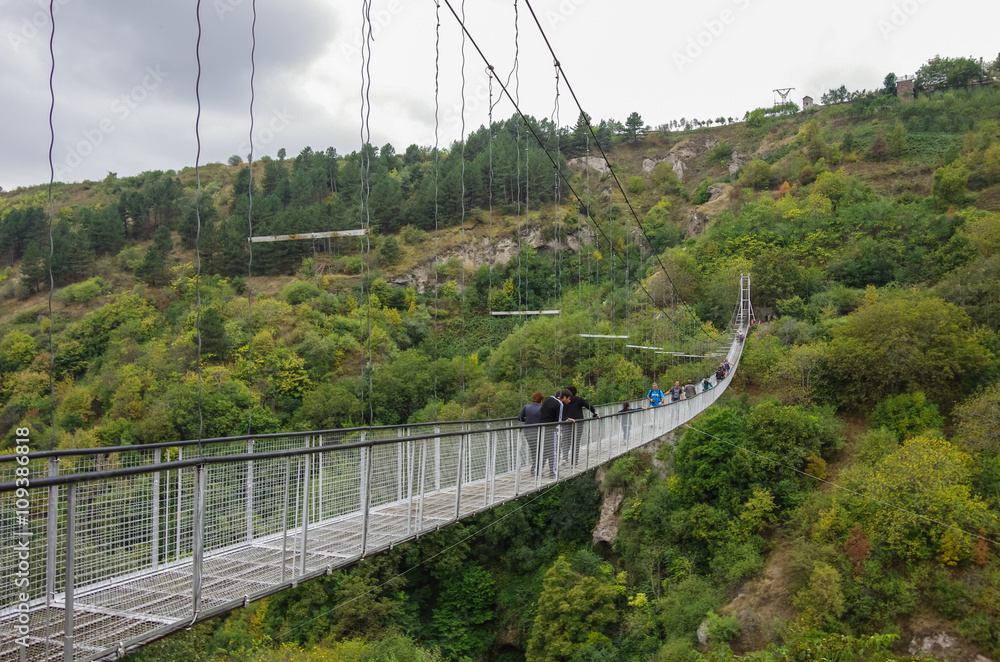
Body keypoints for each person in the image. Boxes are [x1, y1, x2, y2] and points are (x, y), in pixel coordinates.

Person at [539, 389, 574, 478]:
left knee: (543, 451)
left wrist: (566, 418)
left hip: (541, 429)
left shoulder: (548, 399)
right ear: (564, 397)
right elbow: (559, 420)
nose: (569, 401)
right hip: (551, 430)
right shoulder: (560, 404)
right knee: (554, 452)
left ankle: (537, 471)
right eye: (569, 399)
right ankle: (553, 473)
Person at [562, 385, 600, 467]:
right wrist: (594, 412)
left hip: (566, 422)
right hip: (578, 423)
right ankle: (574, 462)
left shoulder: (564, 400)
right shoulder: (579, 399)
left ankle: (565, 458)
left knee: (566, 441)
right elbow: (589, 406)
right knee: (576, 442)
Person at [517, 393, 544, 475]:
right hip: (539, 433)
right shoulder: (542, 408)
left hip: (528, 433)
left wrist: (528, 419)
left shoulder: (526, 407)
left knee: (534, 452)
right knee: (541, 452)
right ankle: (536, 470)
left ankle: (534, 469)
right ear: (541, 400)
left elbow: (520, 418)